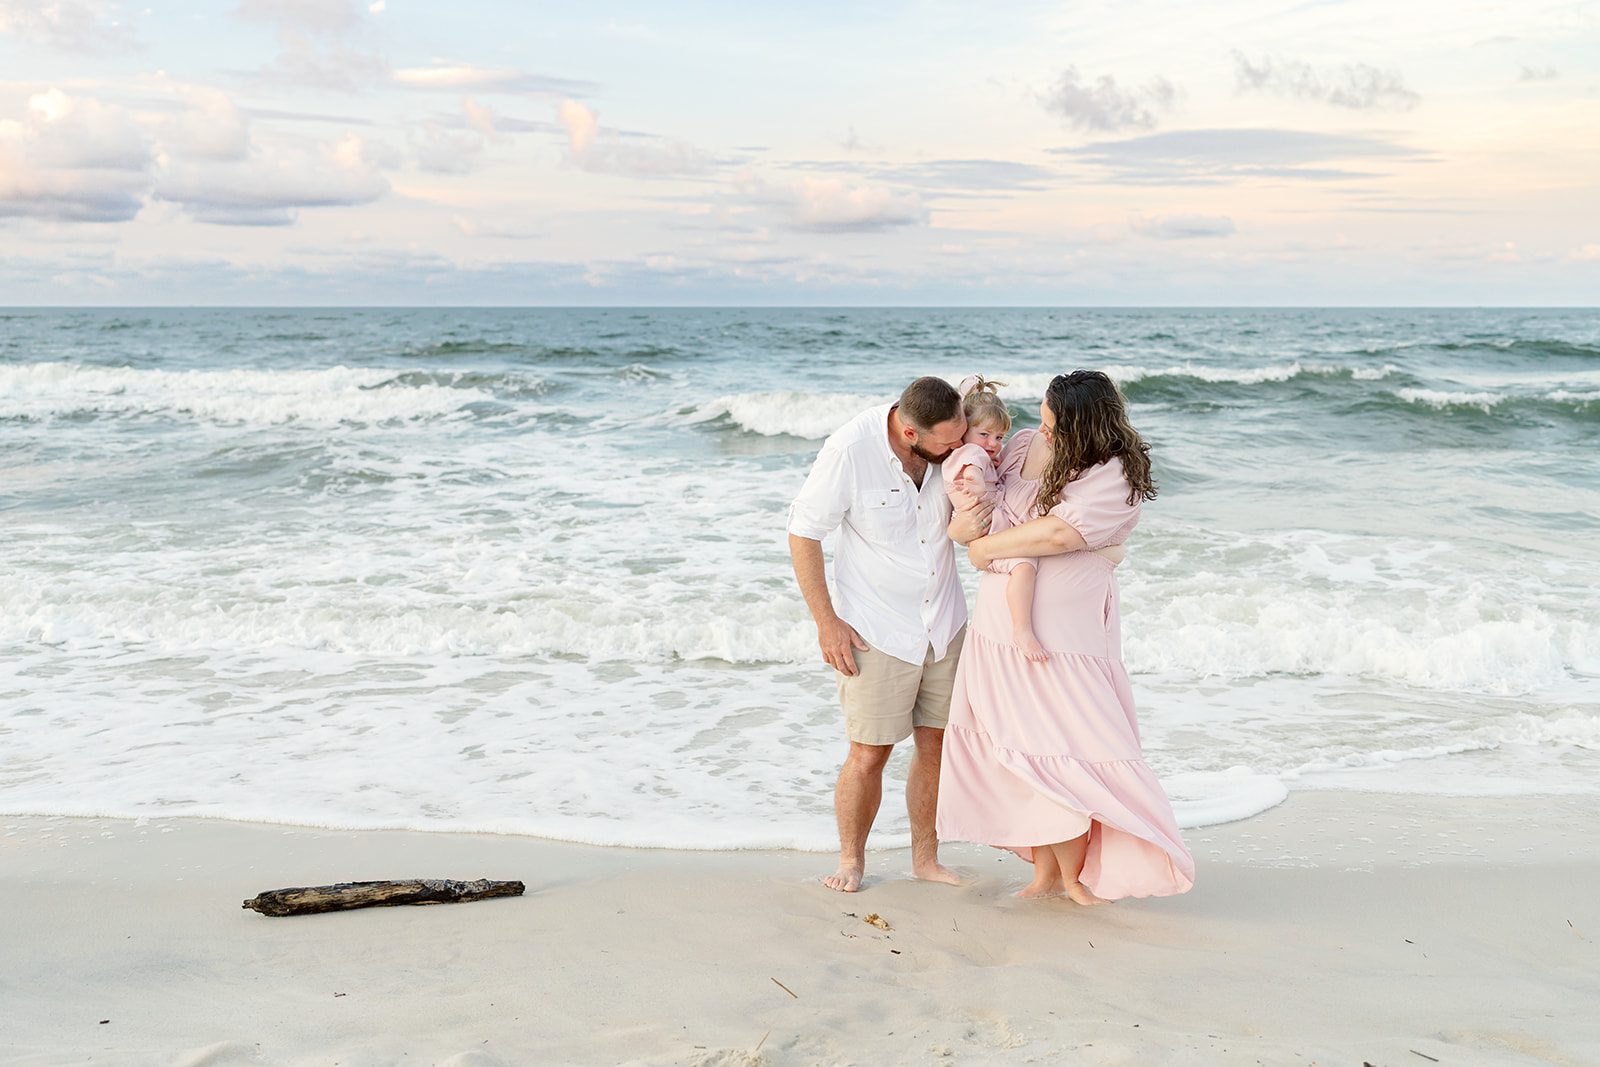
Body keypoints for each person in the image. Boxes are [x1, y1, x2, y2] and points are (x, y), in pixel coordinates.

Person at [936, 370, 1194, 904]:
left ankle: (1075, 878)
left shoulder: (1114, 473)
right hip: (1001, 624)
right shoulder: (1025, 444)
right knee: (1023, 749)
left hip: (1065, 637)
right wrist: (970, 535)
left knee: (1071, 747)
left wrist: (991, 548)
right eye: (1043, 420)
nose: (1043, 432)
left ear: (1085, 425)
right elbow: (972, 510)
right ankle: (1047, 874)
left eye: (1055, 425)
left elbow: (1060, 533)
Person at [787, 376, 991, 893]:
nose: (956, 448)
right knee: (870, 751)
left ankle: (926, 858)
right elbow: (804, 531)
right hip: (876, 629)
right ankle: (851, 860)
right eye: (946, 441)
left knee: (937, 744)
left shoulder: (953, 438)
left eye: (960, 434)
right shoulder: (850, 450)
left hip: (944, 624)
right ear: (908, 431)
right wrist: (826, 622)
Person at [942, 375, 1048, 664]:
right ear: (964, 431)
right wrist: (977, 481)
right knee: (1024, 568)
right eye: (985, 434)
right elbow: (972, 469)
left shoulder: (972, 452)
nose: (992, 443)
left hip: (987, 526)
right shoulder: (971, 454)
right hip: (988, 528)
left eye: (999, 437)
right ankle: (1022, 630)